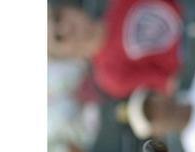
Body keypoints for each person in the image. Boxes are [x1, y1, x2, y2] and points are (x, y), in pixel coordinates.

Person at [48, 1, 183, 100]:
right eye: (59, 37)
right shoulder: (109, 76)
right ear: (67, 55)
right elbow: (171, 83)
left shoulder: (118, 4)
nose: (66, 27)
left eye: (58, 17)